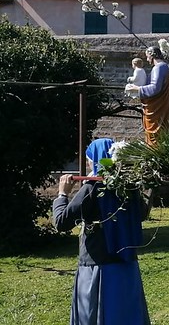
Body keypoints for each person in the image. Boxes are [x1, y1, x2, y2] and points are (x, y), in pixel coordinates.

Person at [52, 138, 150, 325]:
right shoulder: (129, 185)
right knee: (125, 312)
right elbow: (141, 214)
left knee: (98, 312)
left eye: (89, 159)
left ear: (96, 159)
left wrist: (62, 194)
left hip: (97, 265)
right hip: (126, 263)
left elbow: (61, 222)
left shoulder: (92, 187)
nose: (88, 163)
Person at [125, 47, 169, 145]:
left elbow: (154, 88)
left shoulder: (158, 68)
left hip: (157, 109)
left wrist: (137, 88)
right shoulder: (166, 67)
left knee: (156, 138)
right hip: (163, 106)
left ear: (152, 55)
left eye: (148, 57)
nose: (147, 60)